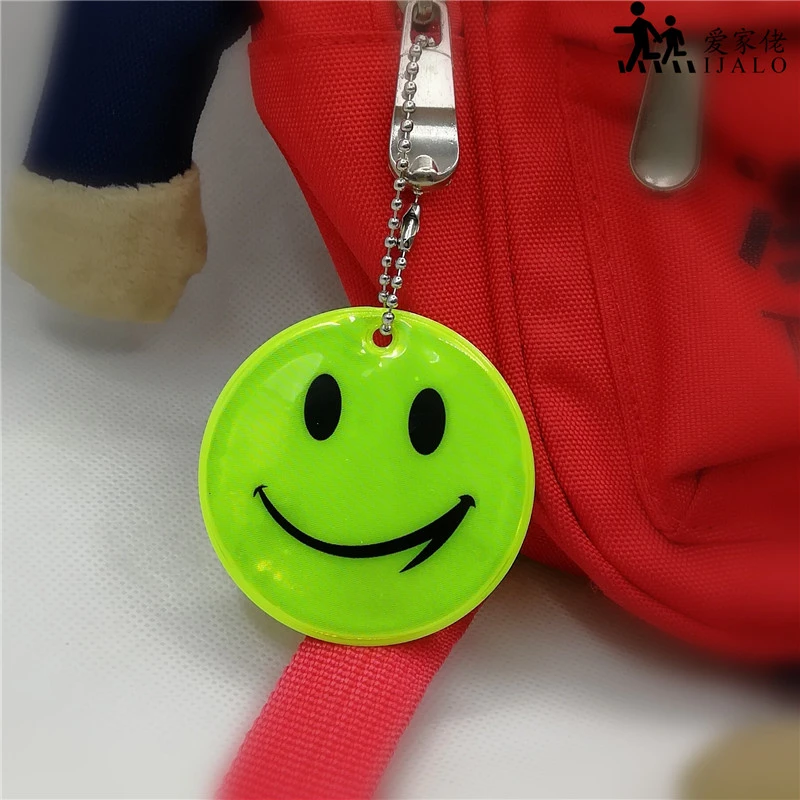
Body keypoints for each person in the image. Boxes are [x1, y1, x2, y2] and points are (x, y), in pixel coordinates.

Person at [614, 1, 662, 72]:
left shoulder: (639, 23)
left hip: (640, 40)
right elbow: (652, 30)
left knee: (639, 51)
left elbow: (630, 29)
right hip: (642, 40)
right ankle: (629, 66)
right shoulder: (644, 22)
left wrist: (618, 30)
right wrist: (659, 39)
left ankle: (630, 66)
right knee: (637, 52)